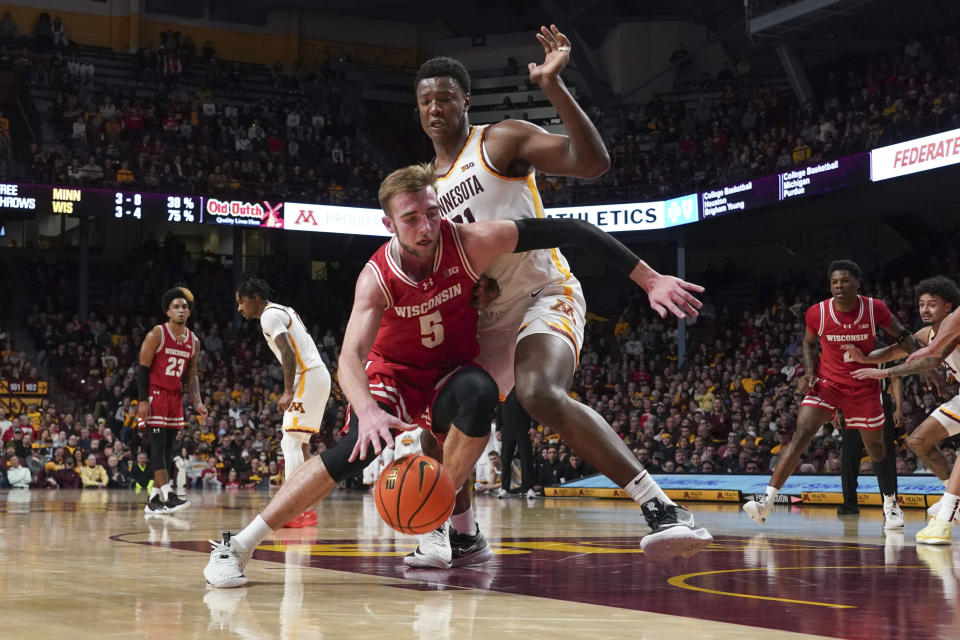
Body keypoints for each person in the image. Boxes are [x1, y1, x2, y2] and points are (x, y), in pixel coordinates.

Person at [203, 163, 711, 588]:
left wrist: (647, 276)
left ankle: (437, 525)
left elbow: (570, 230)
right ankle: (239, 544)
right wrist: (368, 410)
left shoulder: (470, 242)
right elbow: (350, 358)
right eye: (411, 219)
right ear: (390, 225)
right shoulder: (375, 278)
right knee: (355, 448)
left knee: (480, 392)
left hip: (448, 372)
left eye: (431, 212)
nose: (426, 226)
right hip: (396, 375)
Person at [415, 27, 707, 546]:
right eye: (426, 100)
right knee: (434, 427)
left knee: (538, 393)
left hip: (545, 293)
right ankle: (462, 533)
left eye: (444, 97)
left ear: (465, 101)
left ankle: (661, 508)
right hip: (485, 319)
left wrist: (553, 87)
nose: (435, 107)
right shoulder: (423, 189)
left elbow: (592, 164)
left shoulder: (499, 140)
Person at [744, 260, 923, 530]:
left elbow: (903, 338)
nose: (839, 286)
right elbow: (808, 341)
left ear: (857, 283)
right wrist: (808, 371)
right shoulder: (818, 313)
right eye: (834, 282)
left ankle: (890, 504)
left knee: (876, 449)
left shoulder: (875, 309)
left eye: (845, 281)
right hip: (827, 384)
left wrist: (917, 359)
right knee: (802, 433)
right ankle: (766, 502)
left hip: (863, 386)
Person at [848, 277, 960, 543]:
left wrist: (885, 373)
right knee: (919, 441)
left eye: (932, 304)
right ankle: (955, 499)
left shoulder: (956, 323)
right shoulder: (925, 334)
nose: (925, 310)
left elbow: (932, 358)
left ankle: (945, 517)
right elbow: (892, 350)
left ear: (948, 307)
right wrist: (865, 358)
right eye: (921, 304)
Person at [235, 275, 332, 528]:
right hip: (315, 375)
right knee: (300, 446)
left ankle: (295, 509)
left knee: (290, 440)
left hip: (308, 376)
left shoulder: (269, 315)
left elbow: (288, 351)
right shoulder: (281, 310)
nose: (239, 308)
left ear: (255, 297)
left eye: (241, 302)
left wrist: (288, 391)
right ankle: (307, 509)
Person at [137, 287, 206, 514]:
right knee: (157, 447)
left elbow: (192, 374)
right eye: (176, 306)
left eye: (184, 307)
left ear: (189, 313)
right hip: (156, 394)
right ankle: (169, 495)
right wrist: (142, 400)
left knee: (168, 450)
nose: (181, 310)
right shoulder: (157, 334)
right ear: (167, 311)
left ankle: (154, 499)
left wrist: (197, 401)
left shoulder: (193, 341)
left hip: (175, 397)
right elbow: (142, 369)